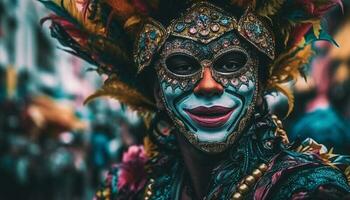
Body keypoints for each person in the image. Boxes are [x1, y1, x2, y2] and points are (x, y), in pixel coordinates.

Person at [40, 0, 350, 199]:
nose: (208, 85)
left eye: (231, 64)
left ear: (259, 86)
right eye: (182, 66)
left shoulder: (308, 190)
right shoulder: (134, 189)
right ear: (158, 93)